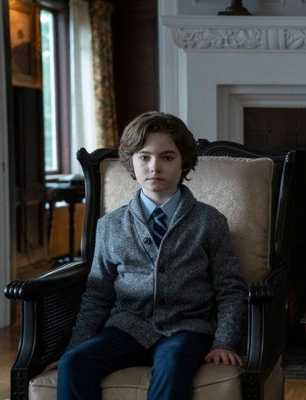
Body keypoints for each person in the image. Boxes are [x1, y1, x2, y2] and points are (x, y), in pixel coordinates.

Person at [56, 111, 248, 400]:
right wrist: (76, 345)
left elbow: (230, 288)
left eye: (167, 157)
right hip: (126, 327)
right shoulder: (110, 225)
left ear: (184, 163)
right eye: (144, 157)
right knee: (73, 364)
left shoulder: (209, 221)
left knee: (173, 364)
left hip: (187, 329)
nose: (154, 167)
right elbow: (97, 295)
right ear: (131, 162)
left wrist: (224, 342)